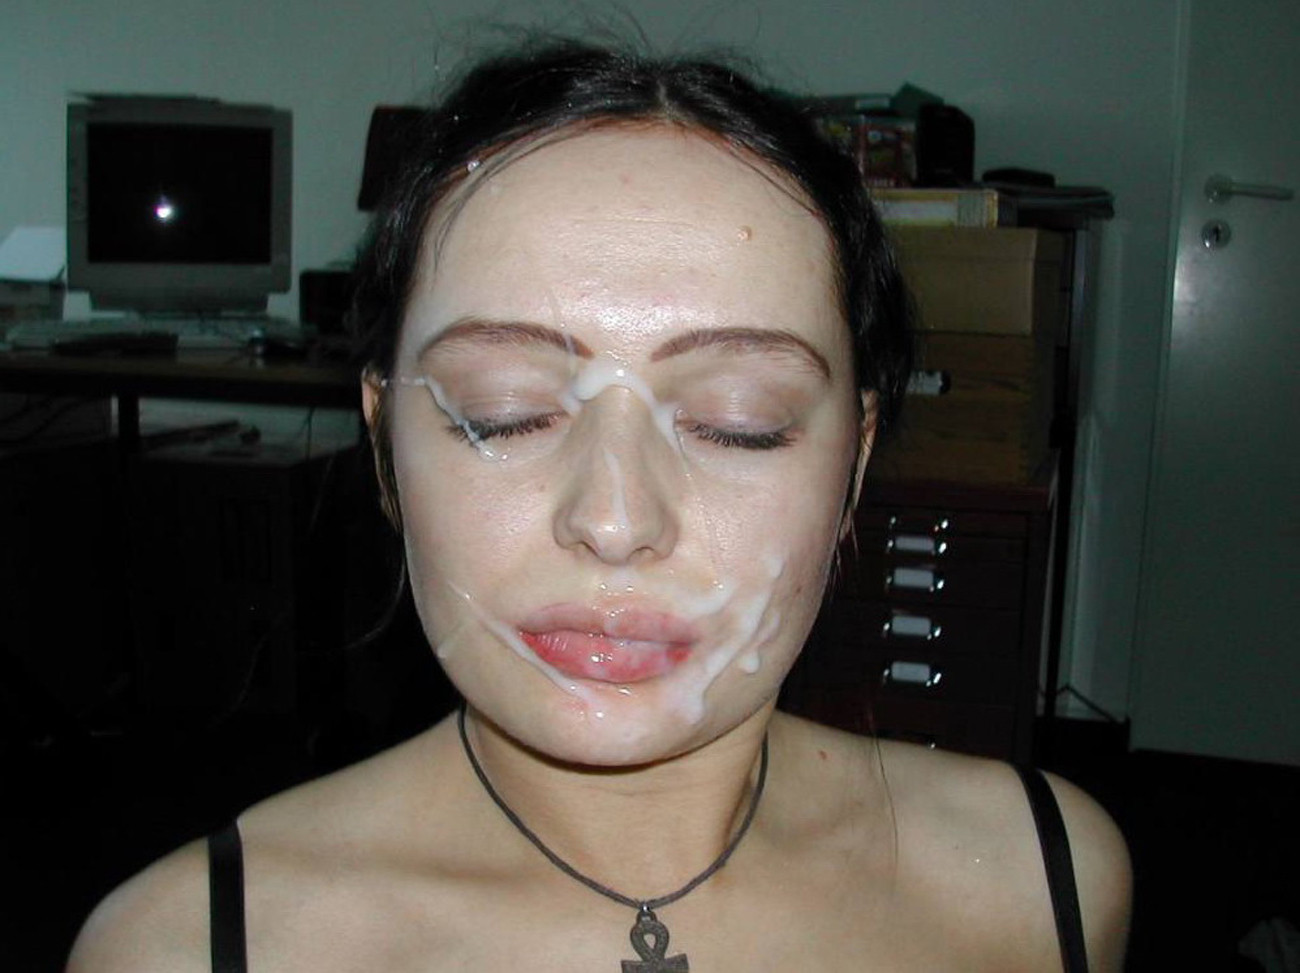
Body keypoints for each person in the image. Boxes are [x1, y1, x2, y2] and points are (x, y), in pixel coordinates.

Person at [68, 41, 1131, 972]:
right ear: (385, 449)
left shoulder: (1048, 879)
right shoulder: (188, 949)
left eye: (738, 421)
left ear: (851, 468)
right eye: (504, 411)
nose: (615, 521)